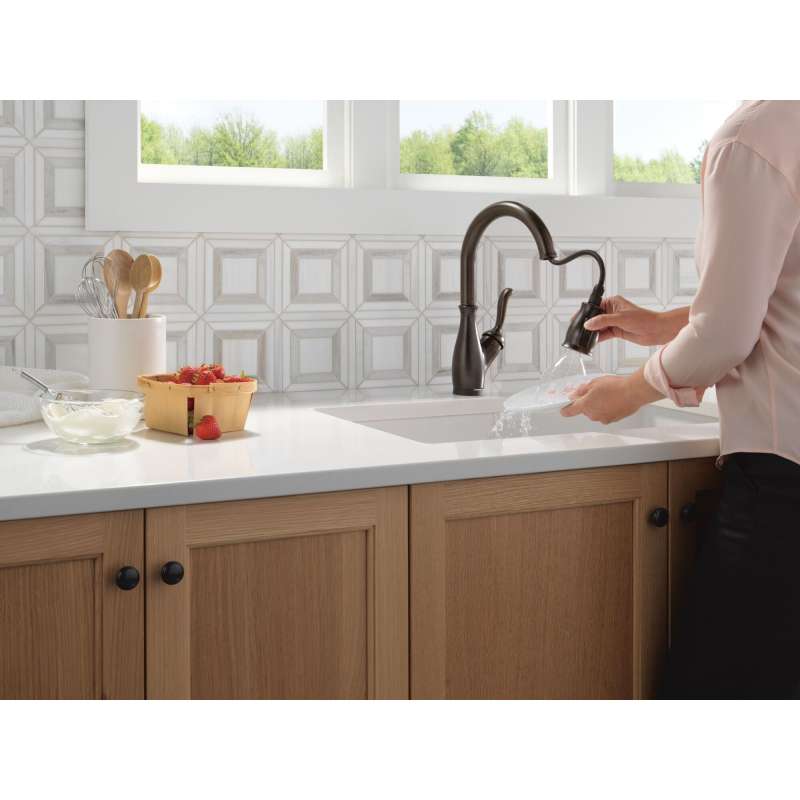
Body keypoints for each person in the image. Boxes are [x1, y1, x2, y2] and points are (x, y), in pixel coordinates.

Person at [561, 101, 800, 699]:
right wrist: (666, 325)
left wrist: (630, 390)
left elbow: (725, 335)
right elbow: (775, 291)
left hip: (783, 486)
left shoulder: (751, 137)